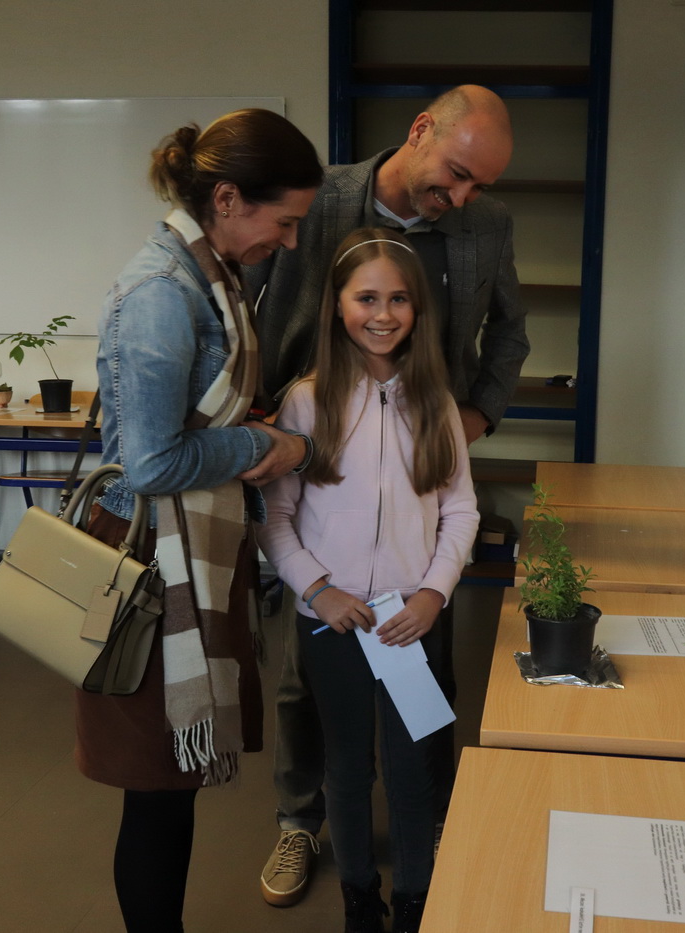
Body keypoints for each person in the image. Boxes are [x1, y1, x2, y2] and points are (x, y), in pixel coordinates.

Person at [245, 84, 526, 907]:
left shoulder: (486, 225)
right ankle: (300, 822)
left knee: (421, 716)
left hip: (423, 461)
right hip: (313, 457)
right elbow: (261, 306)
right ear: (420, 131)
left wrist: (473, 415)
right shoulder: (318, 198)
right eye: (457, 175)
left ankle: (427, 827)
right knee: (309, 697)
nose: (463, 197)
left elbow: (509, 330)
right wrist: (265, 419)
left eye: (480, 185)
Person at [75, 108, 322, 933]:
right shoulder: (162, 294)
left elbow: (190, 416)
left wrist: (247, 426)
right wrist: (264, 445)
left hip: (181, 551)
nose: (290, 240)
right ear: (226, 199)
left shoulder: (210, 275)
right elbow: (150, 464)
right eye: (284, 221)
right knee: (154, 788)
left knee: (169, 787)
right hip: (149, 562)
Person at [254, 227, 480, 933]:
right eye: (367, 298)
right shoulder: (305, 402)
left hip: (409, 623)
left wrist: (433, 593)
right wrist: (317, 589)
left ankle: (413, 900)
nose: (383, 314)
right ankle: (360, 901)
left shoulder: (436, 402)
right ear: (337, 304)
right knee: (347, 769)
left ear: (419, 310)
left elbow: (461, 510)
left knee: (415, 769)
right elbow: (275, 516)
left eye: (399, 299)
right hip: (333, 623)